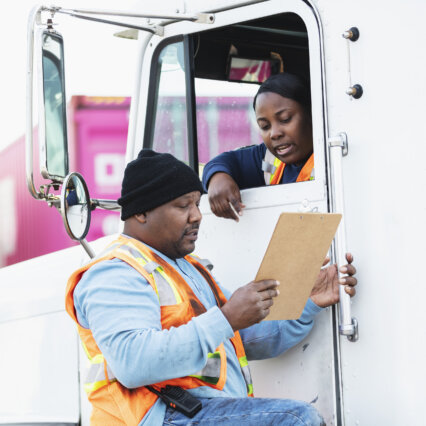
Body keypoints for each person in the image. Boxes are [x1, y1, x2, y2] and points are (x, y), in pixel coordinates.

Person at [65, 149, 357, 426]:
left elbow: (247, 339)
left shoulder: (189, 268)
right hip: (156, 417)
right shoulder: (115, 271)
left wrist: (309, 302)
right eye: (183, 206)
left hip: (196, 411)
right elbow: (133, 364)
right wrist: (228, 317)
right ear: (141, 212)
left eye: (196, 203)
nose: (196, 215)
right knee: (294, 420)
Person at [202, 72, 314, 221]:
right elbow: (225, 161)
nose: (274, 134)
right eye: (265, 126)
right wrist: (217, 179)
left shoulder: (334, 157)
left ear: (312, 113)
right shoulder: (268, 159)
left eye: (285, 119)